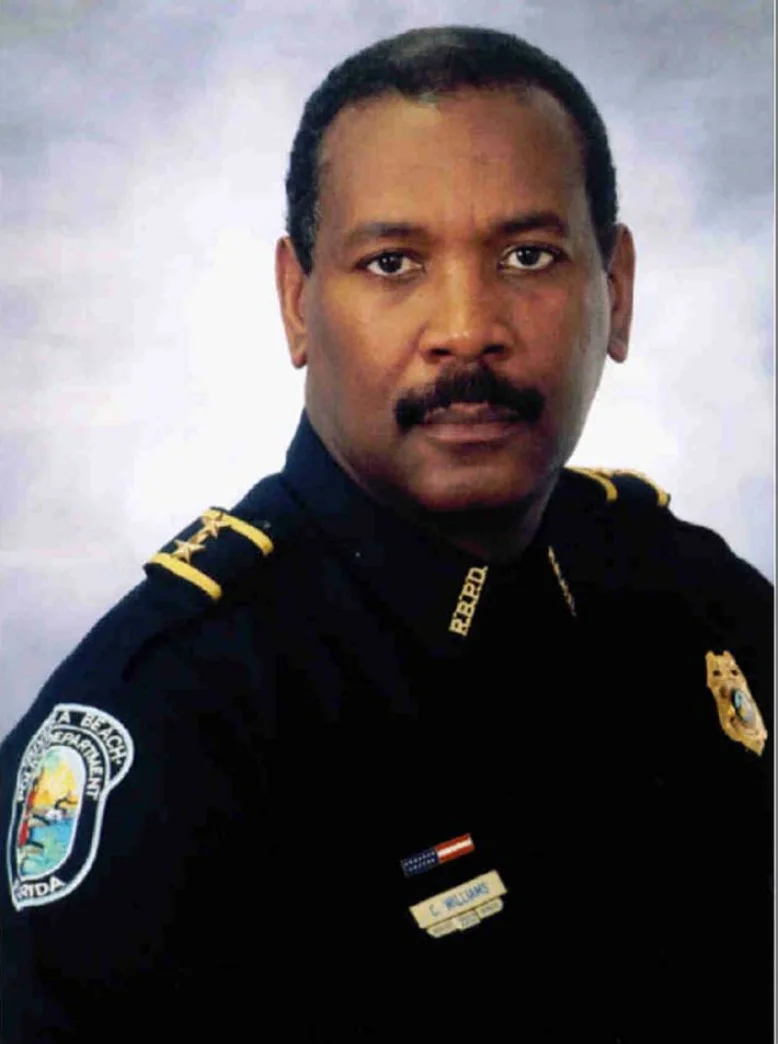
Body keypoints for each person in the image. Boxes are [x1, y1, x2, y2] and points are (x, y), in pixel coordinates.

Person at [0, 25, 772, 1041]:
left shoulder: (693, 595)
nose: (467, 327)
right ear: (298, 305)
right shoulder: (177, 720)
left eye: (527, 256)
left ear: (615, 291)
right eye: (394, 262)